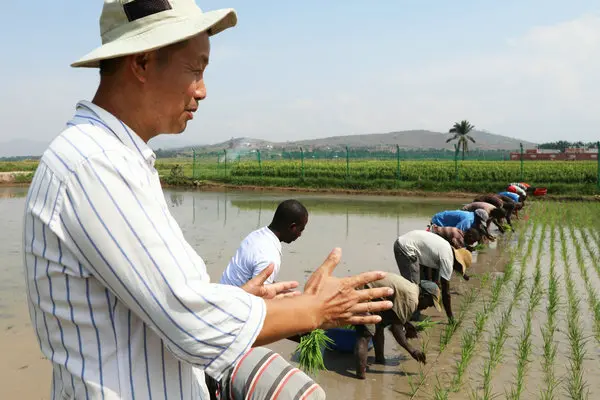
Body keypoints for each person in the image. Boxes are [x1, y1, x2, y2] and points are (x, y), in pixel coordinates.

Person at [22, 2, 395, 399]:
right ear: (143, 63)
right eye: (195, 70)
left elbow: (159, 297)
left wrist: (235, 301)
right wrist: (314, 309)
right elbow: (189, 324)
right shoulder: (96, 164)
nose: (202, 90)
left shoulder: (121, 160)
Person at [354, 275, 442, 379]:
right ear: (424, 296)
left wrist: (406, 324)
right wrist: (412, 351)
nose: (428, 307)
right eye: (430, 303)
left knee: (379, 325)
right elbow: (396, 329)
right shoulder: (412, 301)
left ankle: (379, 359)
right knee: (365, 334)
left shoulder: (412, 290)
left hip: (367, 292)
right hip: (361, 295)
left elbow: (395, 317)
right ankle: (360, 376)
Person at [220, 199, 308, 286]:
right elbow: (258, 296)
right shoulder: (270, 256)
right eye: (300, 230)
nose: (300, 235)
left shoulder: (255, 235)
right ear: (292, 227)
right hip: (231, 298)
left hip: (221, 291)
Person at [393, 230, 472, 323]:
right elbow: (446, 293)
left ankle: (412, 312)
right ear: (458, 263)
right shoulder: (447, 260)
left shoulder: (447, 249)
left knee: (417, 284)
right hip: (405, 248)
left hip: (406, 242)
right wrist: (451, 317)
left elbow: (430, 267)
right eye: (460, 269)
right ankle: (407, 316)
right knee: (412, 287)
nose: (457, 271)